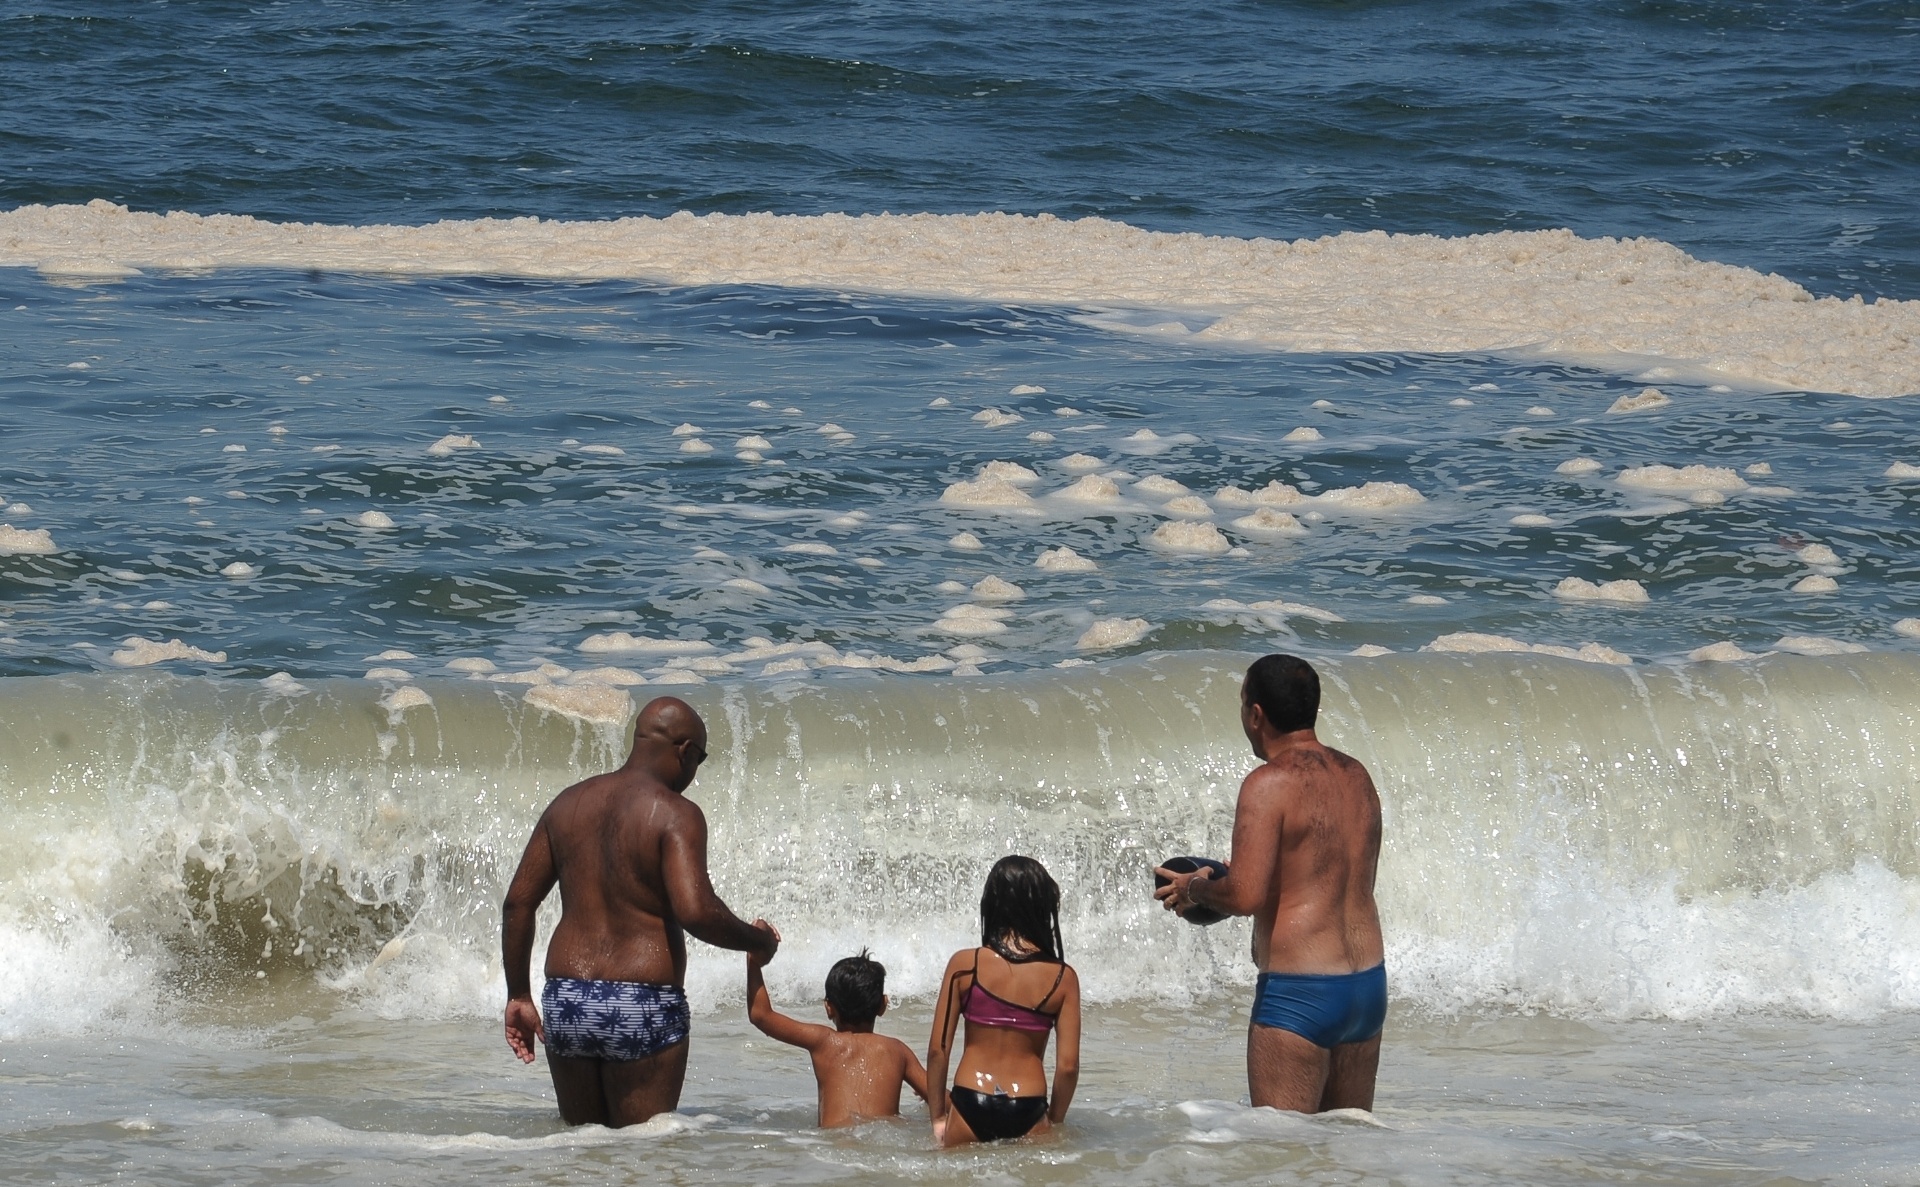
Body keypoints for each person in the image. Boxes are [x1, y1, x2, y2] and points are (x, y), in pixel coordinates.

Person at [500, 696, 779, 1127]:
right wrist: (758, 941)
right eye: (699, 758)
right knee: (642, 1161)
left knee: (583, 1154)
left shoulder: (567, 804)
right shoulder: (675, 813)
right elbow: (696, 911)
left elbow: (519, 902)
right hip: (641, 1000)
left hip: (568, 998)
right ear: (685, 751)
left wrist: (518, 995)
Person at [1153, 653, 1386, 1114]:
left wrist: (1195, 887)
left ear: (1256, 714)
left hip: (1302, 993)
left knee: (1282, 1157)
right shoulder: (1357, 775)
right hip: (1366, 988)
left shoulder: (1268, 783)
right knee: (1349, 1156)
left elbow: (1244, 896)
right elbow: (1338, 876)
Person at [926, 855, 1081, 1145]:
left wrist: (938, 1117)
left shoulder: (965, 965)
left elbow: (938, 1050)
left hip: (971, 1096)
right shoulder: (1063, 978)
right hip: (1028, 1102)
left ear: (992, 903)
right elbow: (1068, 1067)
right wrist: (1055, 1120)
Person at [745, 940, 930, 1127]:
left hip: (833, 1150)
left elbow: (761, 1015)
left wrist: (752, 956)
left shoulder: (824, 1042)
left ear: (829, 1008)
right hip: (885, 1147)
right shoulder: (897, 1051)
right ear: (883, 1005)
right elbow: (945, 1101)